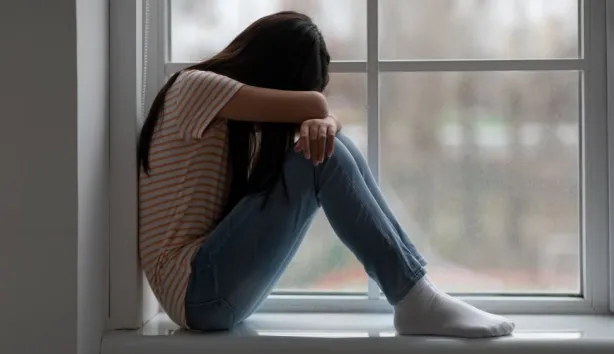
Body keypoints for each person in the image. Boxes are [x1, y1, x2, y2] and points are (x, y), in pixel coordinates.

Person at [137, 11, 515, 338]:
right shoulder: (195, 86)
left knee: (329, 148)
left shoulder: (230, 120)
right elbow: (315, 105)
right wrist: (321, 115)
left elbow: (317, 114)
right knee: (321, 156)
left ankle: (417, 293)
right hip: (197, 291)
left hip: (208, 293)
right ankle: (415, 297)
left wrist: (324, 123)